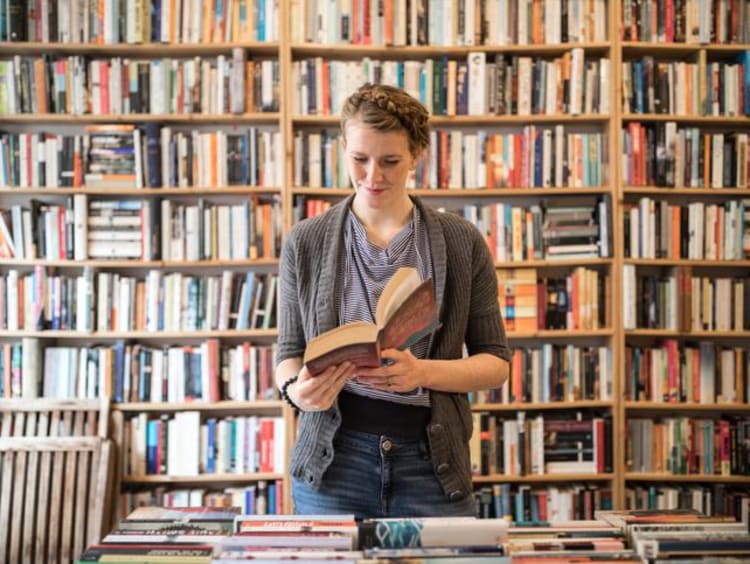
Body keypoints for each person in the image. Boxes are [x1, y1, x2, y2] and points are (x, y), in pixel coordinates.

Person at [275, 83, 511, 519]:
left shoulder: (462, 242)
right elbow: (289, 353)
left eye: (390, 162)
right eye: (359, 160)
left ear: (417, 155)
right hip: (333, 465)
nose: (372, 177)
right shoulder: (305, 241)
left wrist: (421, 372)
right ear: (343, 146)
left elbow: (495, 363)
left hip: (431, 463)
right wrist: (297, 393)